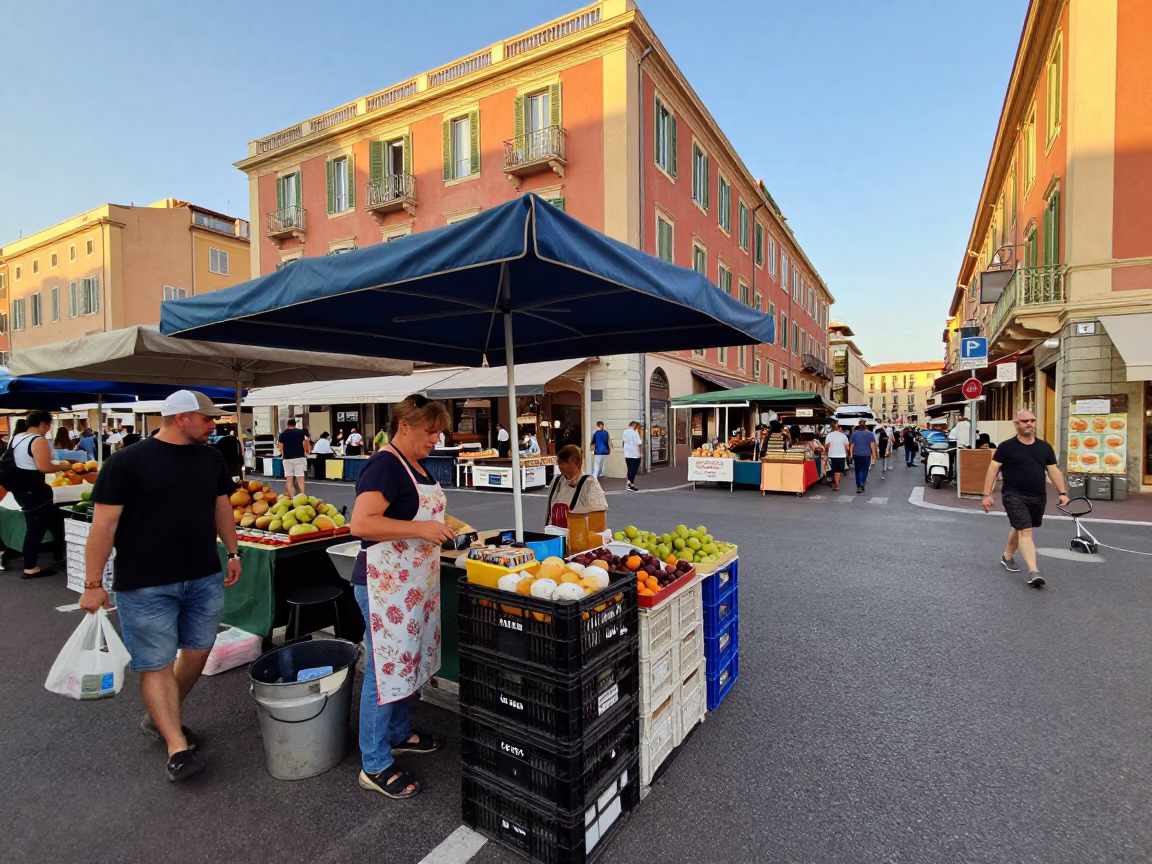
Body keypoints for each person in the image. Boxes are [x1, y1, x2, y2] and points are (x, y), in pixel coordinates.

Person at [79, 390, 241, 782]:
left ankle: (161, 717)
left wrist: (233, 553)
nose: (213, 424)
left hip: (202, 574)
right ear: (181, 418)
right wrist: (92, 583)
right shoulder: (126, 462)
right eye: (206, 418)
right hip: (145, 583)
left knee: (199, 653)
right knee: (156, 662)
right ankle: (176, 746)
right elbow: (103, 525)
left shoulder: (212, 457)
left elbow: (221, 505)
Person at [348, 394, 454, 800]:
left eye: (438, 432)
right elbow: (362, 523)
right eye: (429, 432)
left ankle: (398, 733)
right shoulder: (384, 465)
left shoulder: (414, 465)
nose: (435, 439)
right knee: (383, 670)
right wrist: (421, 530)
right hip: (382, 586)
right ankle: (373, 763)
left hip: (413, 586)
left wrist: (440, 527)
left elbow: (417, 514)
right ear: (404, 425)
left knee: (406, 661)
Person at [981, 410, 1069, 588]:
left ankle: (1007, 556)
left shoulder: (1045, 447)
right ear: (1017, 424)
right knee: (1026, 530)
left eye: (1032, 420)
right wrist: (986, 494)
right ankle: (1034, 571)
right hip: (1013, 494)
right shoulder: (1006, 447)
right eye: (1025, 421)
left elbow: (1052, 470)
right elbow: (993, 470)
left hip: (1037, 496)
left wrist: (1062, 492)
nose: (1030, 423)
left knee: (1020, 526)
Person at [5, 411, 66, 578]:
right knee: (35, 529)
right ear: (43, 424)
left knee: (56, 522)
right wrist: (66, 467)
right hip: (35, 491)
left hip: (20, 490)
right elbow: (44, 467)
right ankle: (30, 568)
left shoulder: (16, 438)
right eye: (48, 424)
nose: (48, 428)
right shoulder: (38, 440)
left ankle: (59, 556)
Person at [545, 445, 609, 528]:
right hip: (554, 534)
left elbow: (599, 513)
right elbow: (549, 512)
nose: (560, 466)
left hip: (578, 535)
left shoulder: (590, 484)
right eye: (559, 463)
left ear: (575, 464)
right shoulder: (556, 481)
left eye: (564, 463)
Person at [278, 419, 311, 498]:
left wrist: (281, 450)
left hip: (287, 459)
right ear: (295, 424)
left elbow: (280, 447)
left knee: (289, 479)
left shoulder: (283, 434)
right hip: (299, 457)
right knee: (300, 479)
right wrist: (306, 451)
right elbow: (305, 443)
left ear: (287, 425)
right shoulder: (300, 432)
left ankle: (290, 497)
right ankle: (303, 496)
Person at [848, 419, 877, 494]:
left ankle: (859, 486)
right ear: (865, 424)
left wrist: (850, 455)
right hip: (866, 454)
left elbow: (851, 446)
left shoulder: (854, 434)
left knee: (857, 470)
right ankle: (862, 483)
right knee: (864, 470)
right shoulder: (870, 434)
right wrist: (874, 455)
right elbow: (872, 445)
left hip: (857, 454)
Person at [823, 421, 850, 491]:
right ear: (840, 428)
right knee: (838, 471)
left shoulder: (829, 435)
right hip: (841, 455)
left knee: (834, 470)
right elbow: (847, 447)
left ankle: (834, 483)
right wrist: (847, 453)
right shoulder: (844, 436)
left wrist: (825, 452)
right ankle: (836, 485)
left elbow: (827, 446)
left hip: (832, 454)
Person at [622, 421, 643, 492]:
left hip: (627, 454)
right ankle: (629, 484)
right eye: (639, 427)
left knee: (630, 469)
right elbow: (639, 443)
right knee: (634, 470)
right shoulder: (635, 433)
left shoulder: (625, 432)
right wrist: (641, 453)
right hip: (635, 454)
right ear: (635, 426)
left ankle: (631, 485)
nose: (639, 429)